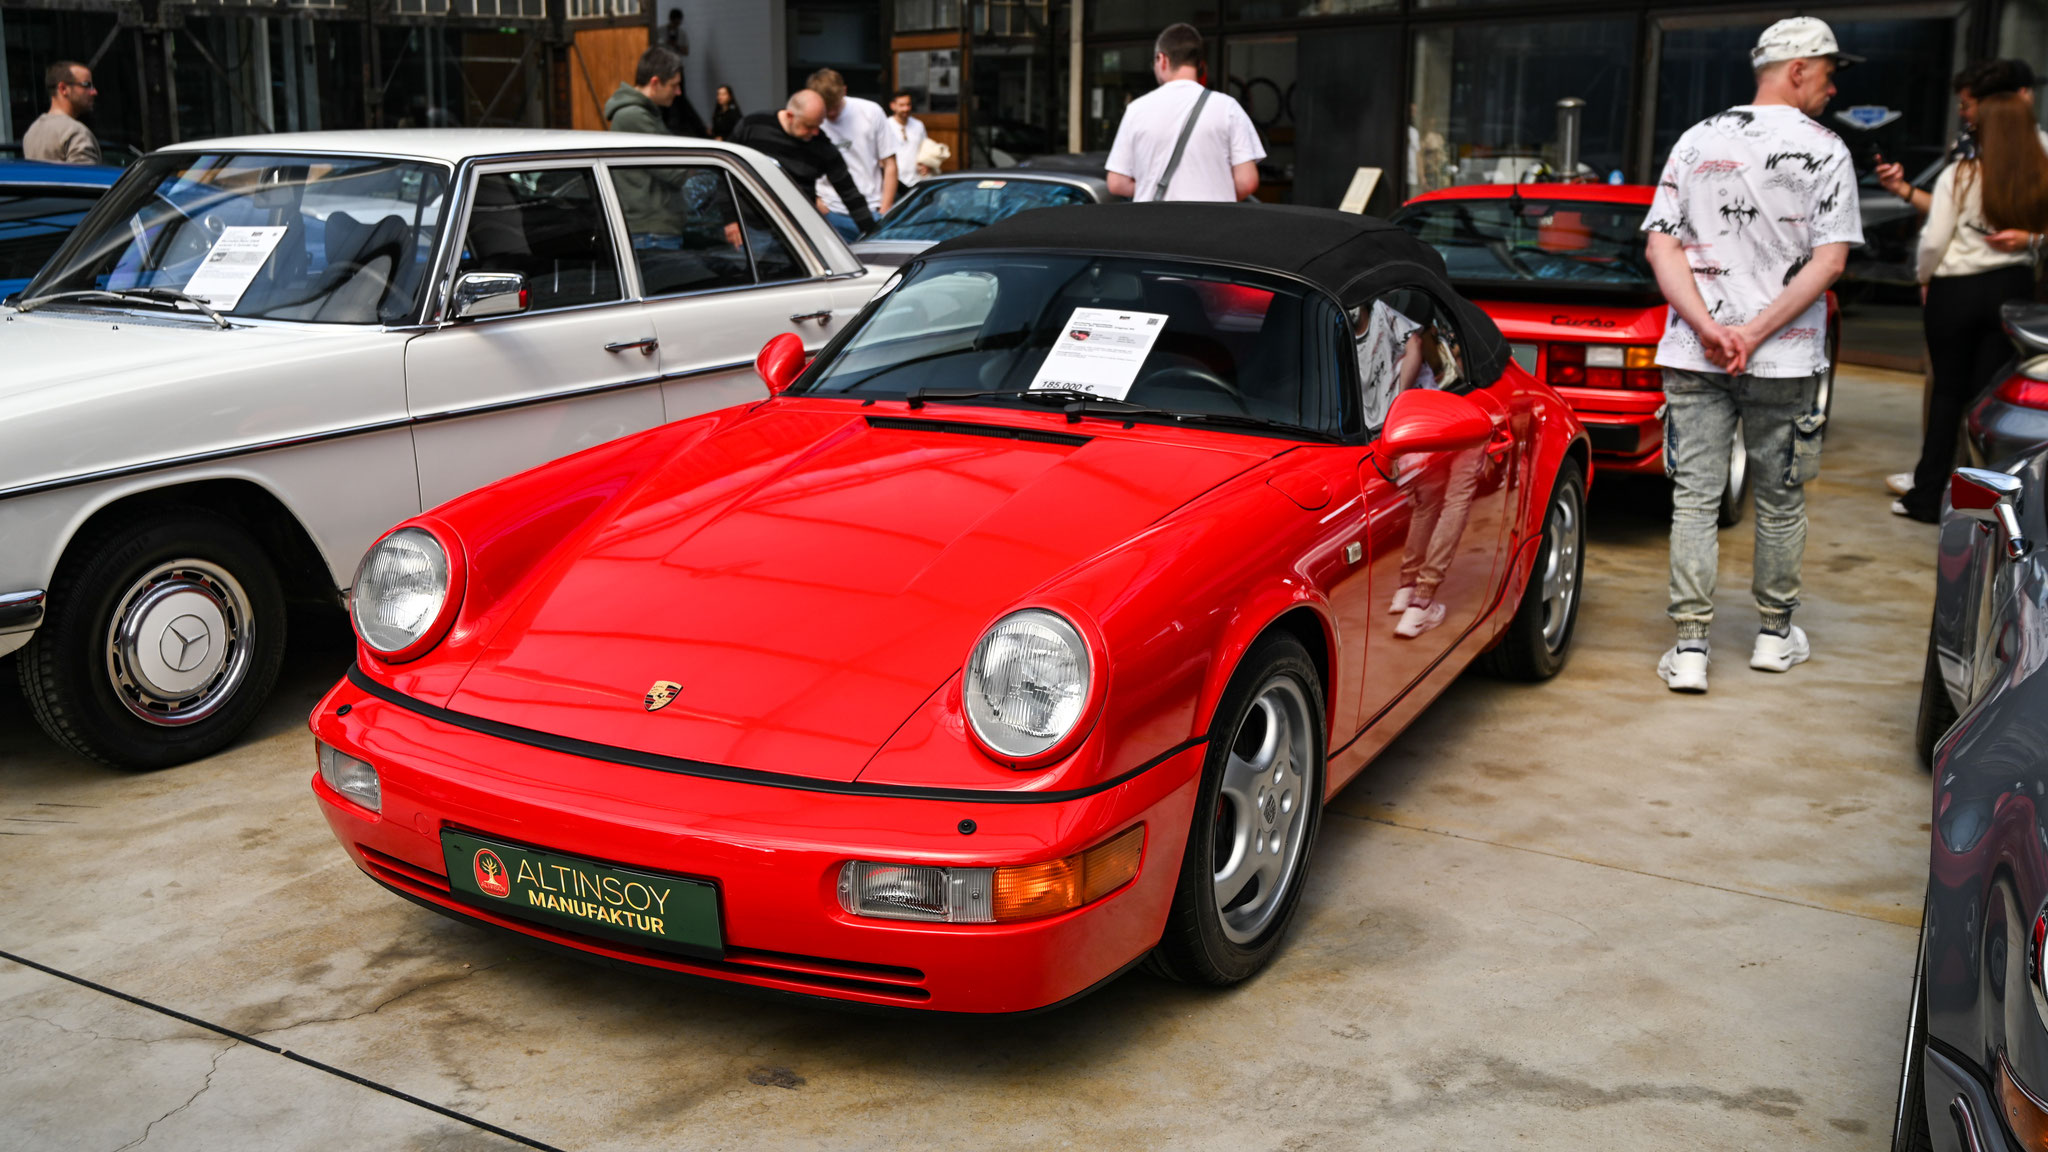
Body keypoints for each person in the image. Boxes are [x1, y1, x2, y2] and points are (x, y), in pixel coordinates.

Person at [1640, 16, 1864, 693]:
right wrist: (1756, 333)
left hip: (1694, 354)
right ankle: (1772, 637)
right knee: (1781, 500)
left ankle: (1689, 650)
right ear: (1797, 70)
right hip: (1784, 363)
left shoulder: (1696, 140)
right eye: (1827, 73)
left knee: (1694, 501)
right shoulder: (1827, 150)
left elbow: (1661, 245)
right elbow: (1828, 264)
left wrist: (1711, 329)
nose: (1830, 88)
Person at [1894, 92, 2048, 522]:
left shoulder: (1959, 175)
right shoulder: (2037, 176)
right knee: (1986, 404)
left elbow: (1935, 240)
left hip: (1955, 290)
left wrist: (1924, 278)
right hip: (2012, 291)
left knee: (1947, 393)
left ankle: (1926, 498)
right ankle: (1981, 503)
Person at [1104, 23, 1263, 203]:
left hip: (1154, 224)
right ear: (1200, 64)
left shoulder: (1137, 109)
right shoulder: (1228, 107)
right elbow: (1247, 182)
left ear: (1162, 59)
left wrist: (1150, 188)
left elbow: (1116, 183)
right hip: (1214, 225)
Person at [729, 89, 877, 235]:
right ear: (790, 116)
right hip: (750, 227)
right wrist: (730, 220)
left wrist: (870, 231)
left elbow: (848, 191)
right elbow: (726, 169)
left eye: (818, 125)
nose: (815, 132)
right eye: (809, 126)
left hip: (796, 233)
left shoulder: (821, 145)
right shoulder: (752, 126)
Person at [806, 69, 897, 240]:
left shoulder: (870, 111)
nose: (831, 114)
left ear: (844, 91)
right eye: (826, 108)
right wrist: (816, 201)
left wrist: (885, 210)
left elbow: (890, 163)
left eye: (834, 106)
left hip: (871, 209)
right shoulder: (812, 117)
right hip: (829, 211)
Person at [23, 61, 100, 165]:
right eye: (87, 85)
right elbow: (87, 178)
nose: (94, 92)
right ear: (63, 88)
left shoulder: (32, 131)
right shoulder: (75, 132)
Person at [605, 47, 683, 136]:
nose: (678, 92)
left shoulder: (645, 110)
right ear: (655, 83)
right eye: (673, 85)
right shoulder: (633, 116)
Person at [886, 91, 928, 189]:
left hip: (916, 180)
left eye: (908, 104)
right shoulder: (886, 126)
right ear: (893, 106)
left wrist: (926, 164)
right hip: (895, 181)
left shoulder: (919, 125)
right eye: (901, 105)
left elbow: (925, 149)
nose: (906, 109)